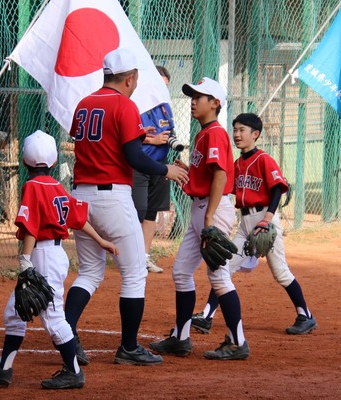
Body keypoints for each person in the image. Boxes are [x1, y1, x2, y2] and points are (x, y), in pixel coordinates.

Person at [64, 48, 188, 367]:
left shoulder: (84, 103)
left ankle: (66, 336)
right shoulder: (125, 104)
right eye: (135, 80)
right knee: (133, 273)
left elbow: (97, 140)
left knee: (90, 272)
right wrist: (166, 171)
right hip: (111, 197)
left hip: (81, 195)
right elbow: (133, 158)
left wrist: (137, 134)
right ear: (129, 78)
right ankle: (129, 348)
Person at [0, 130, 119, 389]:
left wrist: (25, 259)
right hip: (53, 253)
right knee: (16, 312)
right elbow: (78, 219)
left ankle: (73, 372)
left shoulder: (31, 186)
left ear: (25, 161)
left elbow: (31, 225)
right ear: (52, 162)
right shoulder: (57, 186)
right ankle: (3, 368)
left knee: (52, 317)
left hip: (42, 255)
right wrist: (101, 240)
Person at [149, 77, 250, 360]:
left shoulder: (215, 133)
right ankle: (181, 338)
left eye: (200, 96)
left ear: (215, 104)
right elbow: (205, 174)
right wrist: (186, 171)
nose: (193, 100)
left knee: (218, 277)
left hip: (212, 210)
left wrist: (209, 217)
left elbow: (220, 174)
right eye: (192, 95)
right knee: (181, 272)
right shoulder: (203, 134)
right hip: (202, 209)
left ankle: (237, 342)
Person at [190, 113, 317, 335]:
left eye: (242, 130)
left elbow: (278, 188)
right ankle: (207, 316)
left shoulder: (264, 159)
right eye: (235, 130)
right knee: (225, 266)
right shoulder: (237, 163)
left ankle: (305, 314)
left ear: (255, 134)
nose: (237, 135)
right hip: (245, 221)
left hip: (264, 220)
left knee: (280, 271)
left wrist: (267, 218)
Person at [132, 65, 176, 273]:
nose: (163, 90)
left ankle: (145, 258)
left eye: (166, 86)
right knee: (137, 211)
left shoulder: (166, 107)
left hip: (160, 166)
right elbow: (129, 137)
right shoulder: (137, 104)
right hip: (140, 164)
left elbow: (171, 131)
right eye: (160, 85)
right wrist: (153, 139)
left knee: (151, 213)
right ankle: (131, 258)